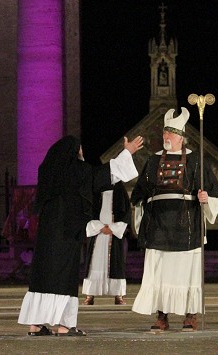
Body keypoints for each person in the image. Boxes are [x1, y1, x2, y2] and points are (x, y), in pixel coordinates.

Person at [18, 134, 143, 337]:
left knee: (43, 277)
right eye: (80, 149)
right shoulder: (77, 171)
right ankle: (65, 326)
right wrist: (127, 152)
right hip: (67, 234)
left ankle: (36, 325)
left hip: (47, 235)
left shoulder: (48, 173)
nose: (82, 152)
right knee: (64, 278)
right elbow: (104, 175)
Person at [131, 107, 218, 332]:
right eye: (165, 133)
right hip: (158, 225)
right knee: (160, 272)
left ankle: (190, 316)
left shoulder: (196, 161)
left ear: (181, 137)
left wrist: (206, 198)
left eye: (170, 133)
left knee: (187, 271)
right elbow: (139, 192)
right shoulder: (153, 160)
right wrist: (141, 204)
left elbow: (213, 192)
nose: (166, 136)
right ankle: (161, 316)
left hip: (186, 224)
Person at [81, 181, 131, 306]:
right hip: (98, 233)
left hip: (114, 234)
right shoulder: (95, 188)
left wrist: (114, 228)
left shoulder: (120, 189)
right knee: (94, 262)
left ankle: (118, 294)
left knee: (116, 263)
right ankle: (90, 294)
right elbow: (87, 210)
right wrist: (99, 227)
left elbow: (126, 212)